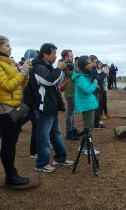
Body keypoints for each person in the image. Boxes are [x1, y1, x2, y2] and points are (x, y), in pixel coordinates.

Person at [0, 35, 32, 186]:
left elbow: (20, 86)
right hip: (5, 108)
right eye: (7, 45)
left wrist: (26, 72)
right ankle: (10, 176)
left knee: (12, 142)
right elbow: (7, 86)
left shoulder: (9, 61)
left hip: (14, 106)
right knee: (8, 143)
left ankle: (12, 173)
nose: (10, 48)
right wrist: (22, 72)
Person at [30, 43, 73, 173]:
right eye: (53, 53)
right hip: (44, 106)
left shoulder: (46, 66)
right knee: (43, 136)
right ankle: (41, 164)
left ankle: (60, 158)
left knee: (56, 134)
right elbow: (48, 80)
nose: (55, 56)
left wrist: (60, 81)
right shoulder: (38, 67)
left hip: (51, 105)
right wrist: (59, 68)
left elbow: (54, 83)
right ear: (45, 54)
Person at [72, 55, 100, 155]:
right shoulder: (81, 77)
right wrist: (95, 83)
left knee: (88, 127)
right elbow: (88, 90)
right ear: (84, 65)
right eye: (88, 63)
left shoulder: (83, 76)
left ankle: (82, 146)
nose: (90, 65)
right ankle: (88, 149)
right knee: (89, 127)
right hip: (87, 105)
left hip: (88, 104)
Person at [22, 49, 39, 158]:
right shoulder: (31, 68)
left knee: (31, 121)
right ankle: (34, 151)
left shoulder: (26, 68)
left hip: (28, 101)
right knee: (36, 126)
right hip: (32, 101)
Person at [60, 50, 79, 141]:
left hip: (72, 91)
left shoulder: (69, 65)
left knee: (72, 113)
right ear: (66, 57)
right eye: (71, 56)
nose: (73, 57)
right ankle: (69, 132)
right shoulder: (65, 65)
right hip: (69, 92)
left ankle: (72, 129)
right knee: (70, 113)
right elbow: (74, 75)